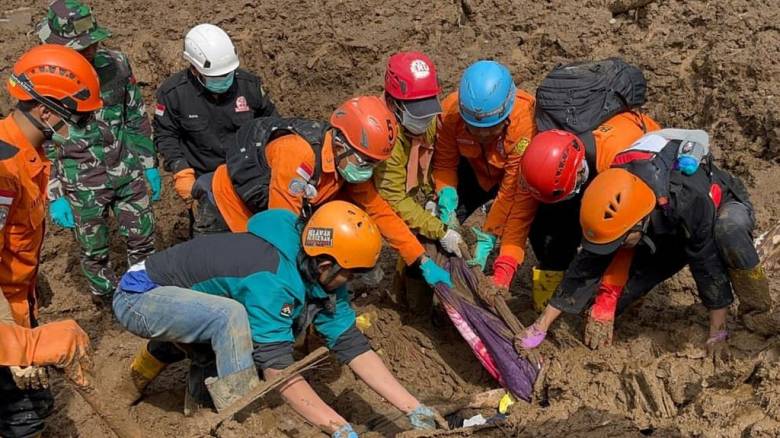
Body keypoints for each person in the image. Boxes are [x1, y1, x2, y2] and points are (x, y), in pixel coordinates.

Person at [113, 201, 445, 435]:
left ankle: (195, 404)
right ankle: (241, 422)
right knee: (230, 318)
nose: (352, 282)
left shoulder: (317, 265)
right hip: (140, 296)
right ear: (326, 264)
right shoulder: (272, 277)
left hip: (187, 303)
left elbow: (351, 344)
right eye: (351, 274)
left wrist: (412, 407)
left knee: (230, 328)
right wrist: (339, 428)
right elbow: (277, 368)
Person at [515, 131, 767, 356]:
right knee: (622, 292)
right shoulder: (615, 186)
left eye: (621, 240)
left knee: (728, 230)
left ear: (637, 223)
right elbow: (584, 268)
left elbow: (706, 264)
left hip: (718, 207)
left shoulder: (688, 197)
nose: (619, 246)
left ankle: (757, 310)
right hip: (665, 227)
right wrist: (540, 326)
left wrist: (717, 332)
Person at [199, 95, 452, 288]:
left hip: (263, 220)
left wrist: (420, 260)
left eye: (374, 164)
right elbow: (281, 230)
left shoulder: (347, 165)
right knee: (227, 291)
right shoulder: (297, 154)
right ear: (341, 144)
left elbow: (380, 212)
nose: (367, 170)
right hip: (225, 214)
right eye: (365, 162)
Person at [0, 43, 102, 438]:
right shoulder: (4, 171)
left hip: (18, 307)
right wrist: (21, 346)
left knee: (37, 404)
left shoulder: (28, 156)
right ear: (46, 112)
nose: (76, 129)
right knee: (22, 421)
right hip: (4, 320)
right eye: (74, 119)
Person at [37, 0, 159, 303]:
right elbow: (43, 142)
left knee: (143, 239)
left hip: (126, 170)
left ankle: (145, 296)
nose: (89, 51)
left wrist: (148, 163)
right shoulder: (43, 81)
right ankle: (106, 302)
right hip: (81, 183)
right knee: (94, 251)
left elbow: (135, 115)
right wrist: (55, 193)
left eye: (92, 44)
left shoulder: (116, 65)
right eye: (80, 48)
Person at [489, 108, 660, 309]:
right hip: (585, 171)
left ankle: (616, 292)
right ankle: (554, 282)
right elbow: (519, 216)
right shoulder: (538, 163)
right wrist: (503, 270)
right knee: (545, 222)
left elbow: (627, 233)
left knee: (626, 238)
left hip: (647, 173)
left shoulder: (617, 164)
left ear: (578, 174)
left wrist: (607, 298)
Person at [154, 23, 277, 235]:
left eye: (228, 74)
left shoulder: (249, 86)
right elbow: (166, 135)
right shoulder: (173, 94)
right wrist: (181, 170)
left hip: (249, 178)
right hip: (206, 183)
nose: (224, 81)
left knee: (256, 237)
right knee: (210, 243)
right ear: (194, 69)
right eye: (216, 77)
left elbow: (272, 124)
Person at [372, 51, 464, 314]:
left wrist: (435, 197)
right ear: (393, 103)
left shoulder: (427, 121)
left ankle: (415, 295)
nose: (423, 119)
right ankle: (410, 305)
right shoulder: (383, 134)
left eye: (427, 110)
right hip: (380, 201)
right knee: (410, 235)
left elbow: (436, 160)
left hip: (409, 196)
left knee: (423, 232)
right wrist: (439, 230)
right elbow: (394, 199)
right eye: (416, 112)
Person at [432, 59, 535, 271]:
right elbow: (444, 164)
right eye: (474, 128)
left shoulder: (525, 123)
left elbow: (510, 189)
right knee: (435, 230)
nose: (482, 134)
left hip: (508, 175)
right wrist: (446, 197)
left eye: (491, 128)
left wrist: (490, 232)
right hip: (472, 169)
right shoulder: (450, 114)